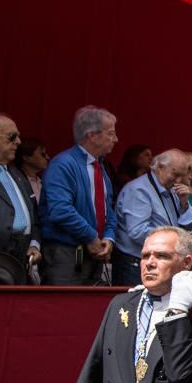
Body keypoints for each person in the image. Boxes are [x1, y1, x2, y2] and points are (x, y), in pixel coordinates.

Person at [61, 226, 192, 383]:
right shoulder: (121, 304)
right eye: (145, 256)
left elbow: (181, 372)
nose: (149, 263)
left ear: (186, 263)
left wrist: (178, 311)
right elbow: (90, 379)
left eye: (161, 256)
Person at [40, 106, 118, 285]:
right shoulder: (63, 164)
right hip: (66, 254)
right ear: (92, 135)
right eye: (110, 133)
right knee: (62, 309)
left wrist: (108, 237)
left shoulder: (100, 167)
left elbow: (108, 209)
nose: (115, 139)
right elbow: (60, 210)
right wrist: (90, 236)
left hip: (93, 252)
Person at [113, 150, 192, 287]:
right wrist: (176, 240)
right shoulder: (139, 190)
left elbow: (186, 226)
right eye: (175, 174)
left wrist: (184, 204)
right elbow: (137, 231)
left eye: (182, 176)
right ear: (159, 168)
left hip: (161, 261)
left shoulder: (171, 189)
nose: (178, 180)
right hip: (135, 264)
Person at [0, 114, 41, 268]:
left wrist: (34, 244)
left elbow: (35, 217)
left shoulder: (17, 175)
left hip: (21, 260)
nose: (18, 141)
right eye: (12, 136)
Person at [13, 136, 48, 203]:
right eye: (42, 154)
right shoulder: (16, 182)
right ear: (26, 157)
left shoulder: (43, 181)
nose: (47, 157)